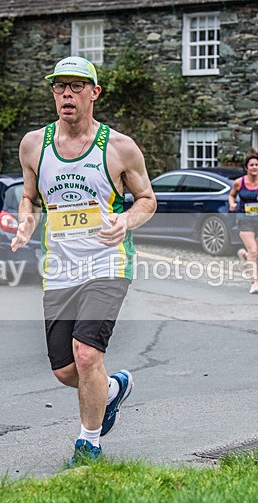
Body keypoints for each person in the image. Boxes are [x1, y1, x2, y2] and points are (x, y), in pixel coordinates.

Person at [11, 56, 156, 465]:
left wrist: (125, 222)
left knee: (87, 353)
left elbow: (148, 200)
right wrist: (26, 222)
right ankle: (111, 390)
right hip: (60, 267)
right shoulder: (33, 144)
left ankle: (88, 443)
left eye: (77, 86)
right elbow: (29, 198)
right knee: (64, 370)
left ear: (95, 93)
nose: (67, 94)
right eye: (60, 87)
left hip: (107, 263)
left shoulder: (120, 147)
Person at [228, 151, 258, 294]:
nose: (254, 167)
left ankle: (243, 255)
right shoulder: (239, 182)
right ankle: (255, 283)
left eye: (256, 165)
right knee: (253, 250)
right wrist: (232, 204)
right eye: (251, 165)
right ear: (246, 167)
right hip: (244, 220)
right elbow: (231, 196)